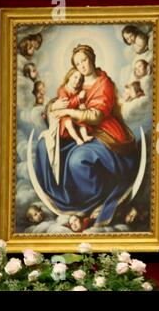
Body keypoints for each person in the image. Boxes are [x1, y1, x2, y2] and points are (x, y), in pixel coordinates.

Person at [34, 44, 138, 227]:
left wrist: (68, 110)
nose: (82, 65)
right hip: (80, 131)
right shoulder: (78, 81)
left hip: (105, 133)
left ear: (91, 58)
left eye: (84, 60)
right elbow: (61, 98)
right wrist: (54, 107)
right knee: (43, 146)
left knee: (77, 159)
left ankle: (91, 200)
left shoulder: (104, 83)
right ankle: (64, 197)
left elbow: (96, 116)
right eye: (77, 63)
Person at [56, 68, 93, 145]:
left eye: (80, 80)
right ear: (69, 76)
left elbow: (81, 102)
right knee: (68, 123)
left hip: (74, 112)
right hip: (64, 114)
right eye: (75, 77)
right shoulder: (62, 90)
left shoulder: (78, 90)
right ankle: (77, 139)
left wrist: (82, 105)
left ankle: (85, 136)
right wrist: (78, 98)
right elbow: (66, 105)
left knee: (81, 119)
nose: (77, 81)